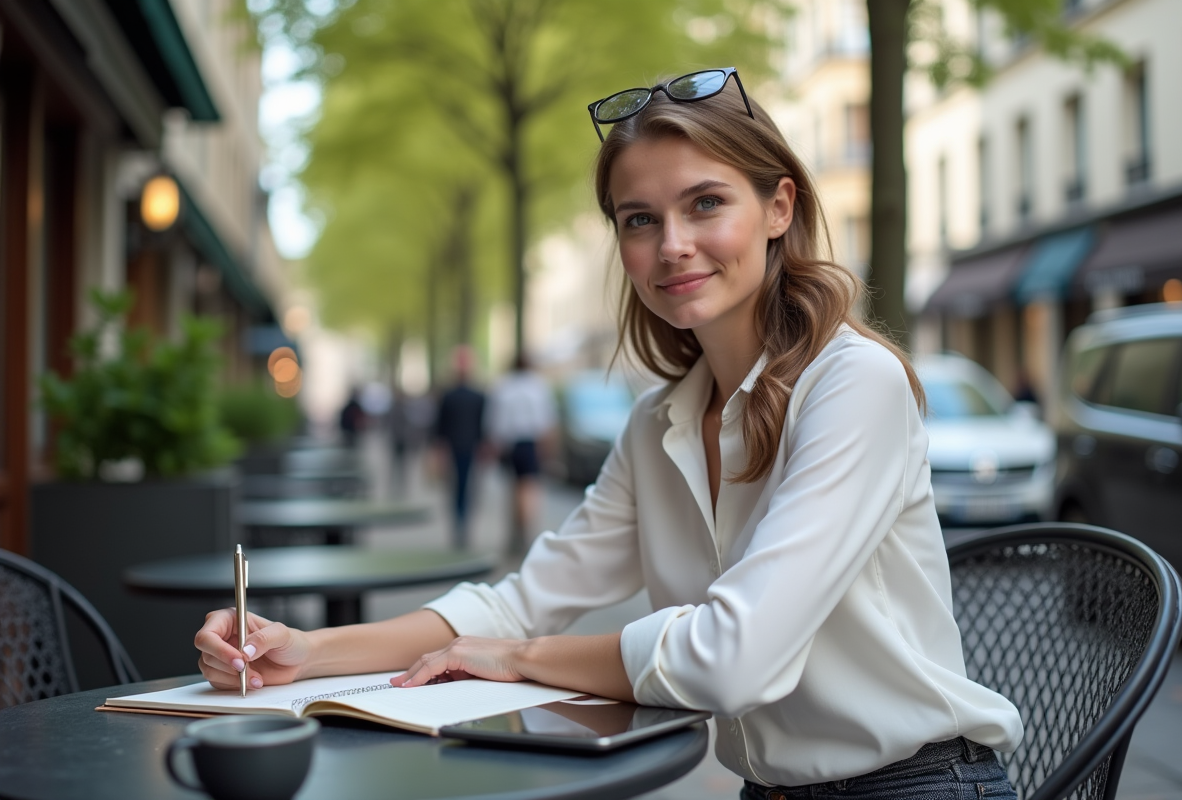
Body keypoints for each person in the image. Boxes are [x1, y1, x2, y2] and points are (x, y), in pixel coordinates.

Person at [194, 68, 1022, 799]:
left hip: (919, 786)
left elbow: (728, 660)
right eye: (638, 219)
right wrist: (306, 651)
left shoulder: (854, 385)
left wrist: (521, 659)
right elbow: (520, 600)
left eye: (705, 203)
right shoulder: (657, 423)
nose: (673, 246)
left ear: (778, 207)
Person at [485, 352, 557, 555]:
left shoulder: (503, 386)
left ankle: (515, 532)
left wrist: (494, 444)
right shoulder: (538, 386)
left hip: (509, 444)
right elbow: (547, 420)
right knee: (528, 488)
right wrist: (549, 447)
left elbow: (495, 420)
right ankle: (526, 530)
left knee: (513, 488)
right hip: (530, 442)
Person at [434, 346, 487, 549]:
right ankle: (463, 523)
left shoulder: (449, 395)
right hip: (471, 446)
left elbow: (440, 427)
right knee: (467, 486)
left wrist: (439, 449)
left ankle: (459, 522)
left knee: (457, 488)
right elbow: (483, 425)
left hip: (455, 446)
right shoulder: (478, 395)